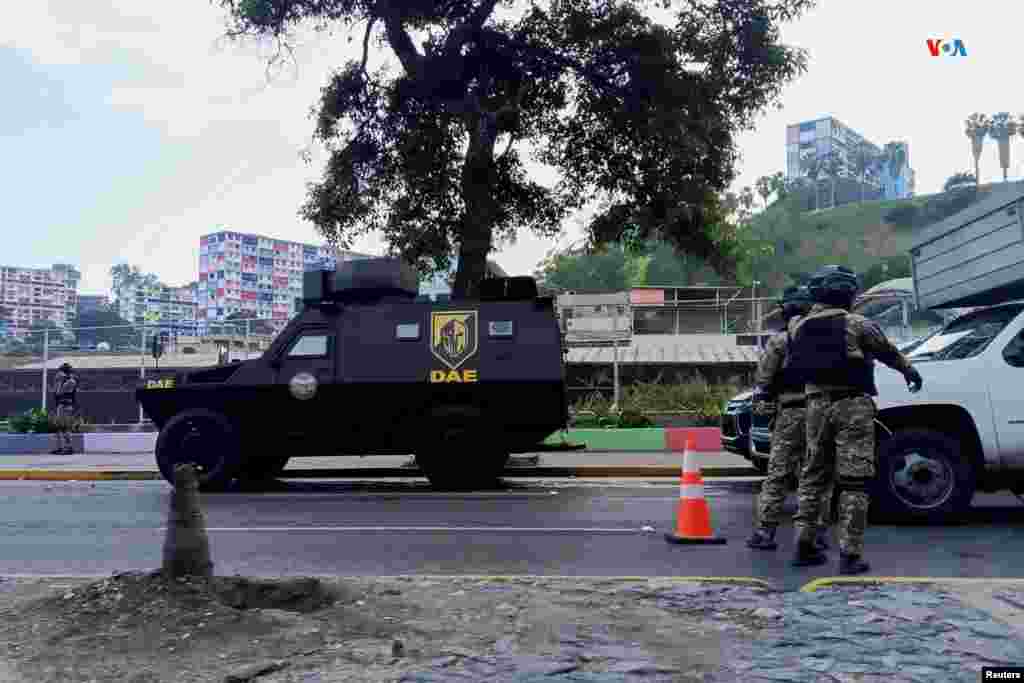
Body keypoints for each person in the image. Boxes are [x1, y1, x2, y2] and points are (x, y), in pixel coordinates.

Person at [785, 265, 923, 575]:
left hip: (815, 407)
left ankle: (803, 546)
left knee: (812, 478)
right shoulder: (858, 324)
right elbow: (888, 352)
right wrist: (910, 371)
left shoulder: (798, 326)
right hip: (852, 406)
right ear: (850, 293)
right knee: (854, 482)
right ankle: (850, 554)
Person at [746, 285, 833, 552]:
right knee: (818, 475)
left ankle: (765, 532)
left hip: (791, 411)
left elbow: (763, 379)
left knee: (779, 474)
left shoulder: (780, 341)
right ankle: (816, 534)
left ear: (785, 310)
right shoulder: (827, 337)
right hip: (821, 411)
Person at [51, 362, 80, 455]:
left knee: (65, 427)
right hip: (61, 405)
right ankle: (60, 447)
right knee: (58, 428)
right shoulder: (64, 380)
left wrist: (58, 381)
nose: (58, 374)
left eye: (60, 371)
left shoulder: (71, 381)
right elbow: (56, 392)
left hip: (66, 406)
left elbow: (59, 392)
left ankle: (69, 447)